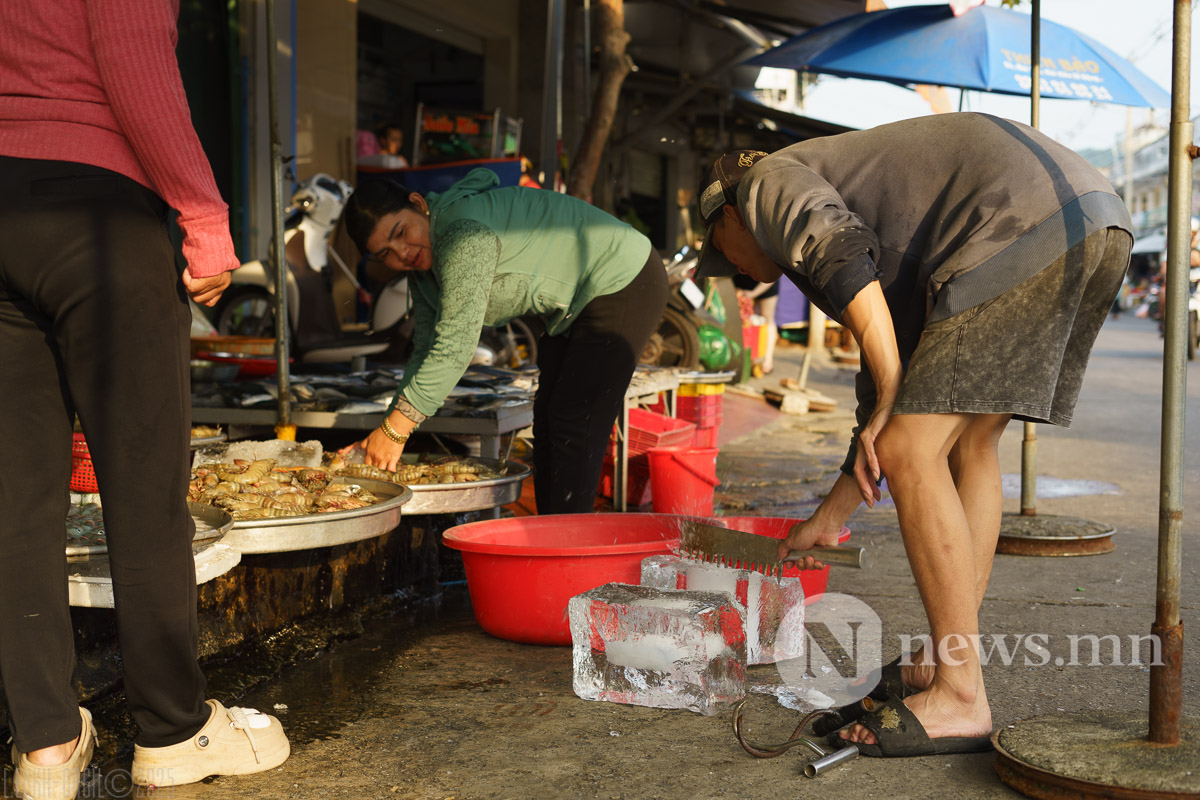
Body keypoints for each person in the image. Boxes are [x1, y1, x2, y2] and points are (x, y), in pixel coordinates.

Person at [693, 112, 1132, 758]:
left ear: (726, 216)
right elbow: (884, 367)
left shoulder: (763, 182)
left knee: (909, 446)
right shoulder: (832, 204)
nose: (727, 266)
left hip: (1016, 222)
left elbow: (837, 249)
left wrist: (895, 397)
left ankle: (960, 693)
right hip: (1091, 218)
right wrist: (831, 515)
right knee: (966, 444)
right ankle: (944, 659)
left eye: (717, 250)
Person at [0, 1, 290, 797]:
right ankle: (173, 731)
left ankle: (47, 748)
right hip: (90, 214)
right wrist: (204, 220)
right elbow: (136, 68)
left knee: (14, 504)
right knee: (144, 488)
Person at [341, 169, 667, 513]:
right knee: (548, 423)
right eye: (385, 253)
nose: (402, 253)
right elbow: (425, 348)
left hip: (623, 277)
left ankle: (570, 551)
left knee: (574, 424)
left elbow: (455, 349)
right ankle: (551, 537)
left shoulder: (462, 233)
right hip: (575, 306)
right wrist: (385, 428)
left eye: (401, 233)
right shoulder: (424, 269)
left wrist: (394, 432)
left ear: (418, 204)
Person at [732, 273, 779, 373]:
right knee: (739, 320)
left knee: (767, 318)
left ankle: (767, 361)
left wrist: (753, 294)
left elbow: (773, 274)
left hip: (766, 283)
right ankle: (741, 359)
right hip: (740, 283)